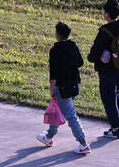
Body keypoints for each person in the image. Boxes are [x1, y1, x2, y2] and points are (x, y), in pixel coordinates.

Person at [36, 21, 91, 155]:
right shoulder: (73, 46)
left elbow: (53, 75)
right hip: (75, 84)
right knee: (58, 109)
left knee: (70, 115)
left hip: (62, 87)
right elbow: (80, 62)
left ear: (57, 35)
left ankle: (83, 143)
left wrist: (52, 91)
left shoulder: (55, 50)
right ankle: (49, 137)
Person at [87, 0, 119, 139]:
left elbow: (94, 54)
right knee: (116, 92)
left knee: (108, 97)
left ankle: (115, 128)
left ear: (107, 14)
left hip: (108, 70)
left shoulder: (105, 31)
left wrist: (92, 57)